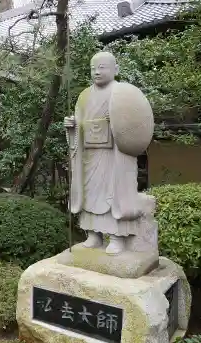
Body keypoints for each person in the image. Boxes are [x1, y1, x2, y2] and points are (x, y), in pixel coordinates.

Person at [64, 51, 152, 254]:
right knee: (89, 193)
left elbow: (133, 122)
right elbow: (78, 123)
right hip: (89, 155)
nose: (96, 72)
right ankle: (93, 234)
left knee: (114, 194)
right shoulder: (84, 96)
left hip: (114, 155)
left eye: (102, 67)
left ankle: (116, 237)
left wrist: (120, 129)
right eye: (93, 68)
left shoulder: (122, 93)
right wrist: (72, 127)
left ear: (115, 70)